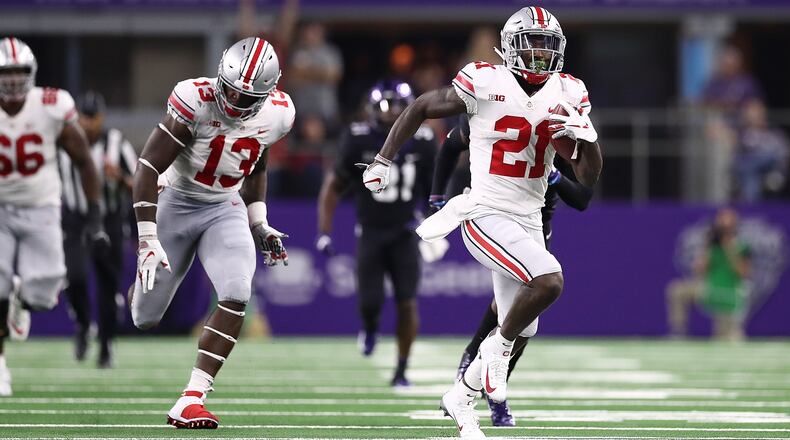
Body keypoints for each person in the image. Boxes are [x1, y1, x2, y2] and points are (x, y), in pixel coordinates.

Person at [359, 7, 603, 438]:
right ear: (510, 46)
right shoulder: (485, 81)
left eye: (547, 46)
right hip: (484, 211)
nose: (541, 54)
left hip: (529, 217)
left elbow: (586, 178)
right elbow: (422, 106)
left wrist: (589, 137)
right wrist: (383, 159)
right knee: (549, 282)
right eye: (532, 44)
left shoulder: (568, 91)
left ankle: (461, 397)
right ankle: (495, 353)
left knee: (525, 325)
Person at [129, 37, 294, 428]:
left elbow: (257, 160)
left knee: (237, 291)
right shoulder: (195, 99)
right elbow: (148, 166)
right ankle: (136, 290)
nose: (234, 102)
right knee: (144, 318)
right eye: (231, 91)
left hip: (224, 206)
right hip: (176, 201)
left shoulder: (279, 114)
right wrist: (147, 239)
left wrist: (258, 220)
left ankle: (192, 397)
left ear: (266, 95)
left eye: (245, 97)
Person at [430, 114, 593, 426]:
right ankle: (477, 384)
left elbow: (583, 196)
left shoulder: (557, 125)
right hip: (497, 217)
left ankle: (473, 384)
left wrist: (555, 176)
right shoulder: (495, 108)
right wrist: (438, 198)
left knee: (523, 322)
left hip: (536, 227)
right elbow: (452, 145)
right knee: (512, 312)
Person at [0, 37, 105, 396]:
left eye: (18, 72)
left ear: (31, 73)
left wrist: (95, 215)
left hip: (41, 206)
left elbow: (84, 162)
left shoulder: (50, 106)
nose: (12, 81)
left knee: (45, 295)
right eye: (6, 73)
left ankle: (21, 297)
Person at [317, 80, 436, 387]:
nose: (391, 112)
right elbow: (334, 185)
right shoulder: (358, 138)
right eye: (384, 105)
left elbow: (435, 189)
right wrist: (324, 231)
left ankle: (402, 369)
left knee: (407, 301)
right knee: (370, 302)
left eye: (398, 106)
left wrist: (435, 223)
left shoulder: (423, 140)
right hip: (370, 230)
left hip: (405, 231)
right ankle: (370, 327)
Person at [58, 90, 138, 368]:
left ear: (102, 118)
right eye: (84, 116)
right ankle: (83, 324)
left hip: (109, 220)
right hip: (76, 219)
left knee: (108, 285)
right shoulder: (63, 141)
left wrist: (122, 178)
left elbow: (140, 184)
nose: (88, 123)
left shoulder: (117, 143)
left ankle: (106, 345)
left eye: (93, 117)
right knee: (75, 277)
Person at [666, 208, 751, 341]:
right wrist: (707, 248)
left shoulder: (742, 246)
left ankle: (732, 332)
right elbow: (699, 270)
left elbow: (743, 273)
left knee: (724, 340)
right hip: (709, 290)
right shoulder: (713, 245)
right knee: (677, 291)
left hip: (728, 295)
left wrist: (729, 249)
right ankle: (678, 332)